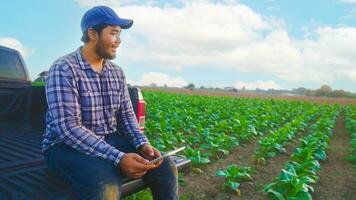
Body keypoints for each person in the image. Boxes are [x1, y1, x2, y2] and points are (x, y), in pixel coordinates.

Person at [42, 5, 178, 200]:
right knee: (105, 187)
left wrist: (142, 145)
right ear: (92, 33)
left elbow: (127, 116)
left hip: (109, 139)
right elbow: (68, 128)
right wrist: (119, 158)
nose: (119, 40)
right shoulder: (64, 68)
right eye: (114, 33)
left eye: (120, 34)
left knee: (165, 165)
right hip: (63, 146)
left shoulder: (117, 72)